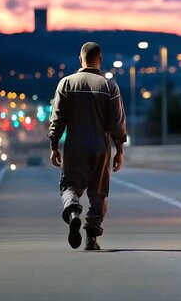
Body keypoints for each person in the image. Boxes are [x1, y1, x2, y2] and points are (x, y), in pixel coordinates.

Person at [48, 42, 127, 251]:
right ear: (100, 60)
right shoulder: (110, 87)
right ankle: (91, 238)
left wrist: (54, 145)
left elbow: (57, 119)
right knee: (99, 193)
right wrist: (119, 150)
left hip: (75, 146)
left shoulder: (66, 84)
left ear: (79, 59)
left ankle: (73, 210)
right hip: (100, 147)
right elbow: (117, 123)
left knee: (69, 186)